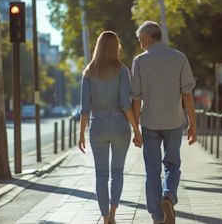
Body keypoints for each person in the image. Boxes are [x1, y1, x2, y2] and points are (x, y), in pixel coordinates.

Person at [131, 21, 197, 224]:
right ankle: (168, 196)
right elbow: (187, 95)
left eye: (141, 39)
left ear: (148, 37)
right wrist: (193, 124)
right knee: (172, 165)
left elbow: (136, 98)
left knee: (152, 170)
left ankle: (158, 218)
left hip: (150, 122)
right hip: (174, 121)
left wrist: (136, 130)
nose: (140, 44)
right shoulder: (180, 58)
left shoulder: (140, 61)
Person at [78, 31, 142, 224]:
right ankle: (113, 213)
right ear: (116, 47)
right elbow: (125, 103)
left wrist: (81, 134)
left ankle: (105, 217)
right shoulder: (122, 71)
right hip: (120, 126)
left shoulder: (88, 72)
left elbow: (84, 108)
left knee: (101, 175)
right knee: (117, 172)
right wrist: (136, 130)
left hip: (97, 126)